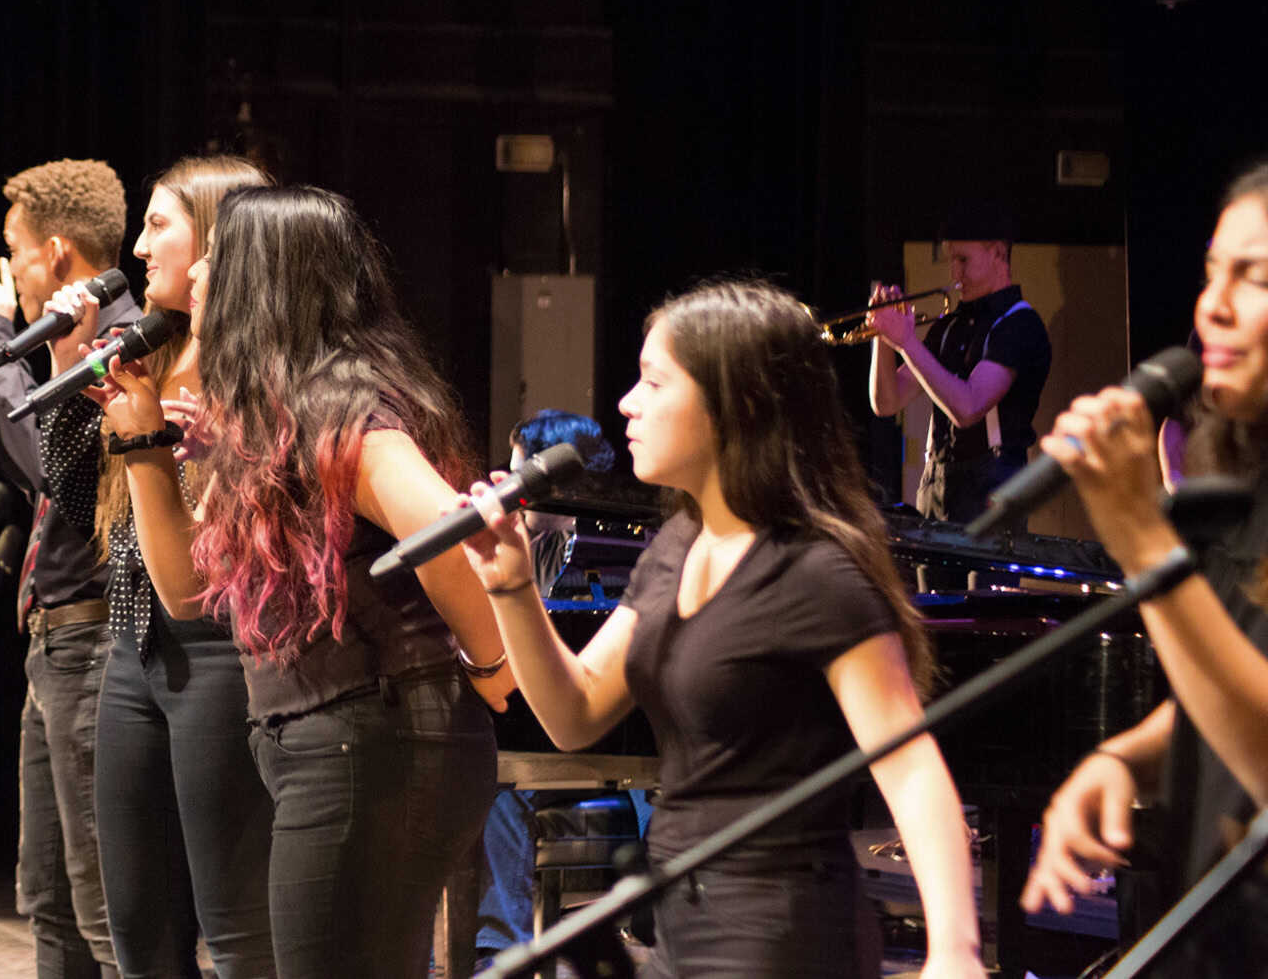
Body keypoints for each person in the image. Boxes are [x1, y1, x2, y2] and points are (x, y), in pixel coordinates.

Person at [465, 279, 983, 978]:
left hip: (776, 929)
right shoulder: (677, 547)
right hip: (678, 917)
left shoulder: (815, 573)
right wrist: (511, 586)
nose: (627, 402)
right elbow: (574, 712)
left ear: (732, 405)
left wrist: (954, 948)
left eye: (653, 381)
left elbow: (910, 766)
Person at [91, 184, 515, 979]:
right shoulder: (266, 415)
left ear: (261, 283)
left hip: (375, 732)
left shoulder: (342, 407)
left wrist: (494, 667)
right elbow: (186, 592)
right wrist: (143, 440)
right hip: (335, 735)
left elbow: (454, 542)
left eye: (215, 263)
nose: (198, 279)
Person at [1022, 162, 1268, 970]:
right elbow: (1238, 676)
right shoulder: (1241, 482)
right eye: (1210, 274)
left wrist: (1139, 534)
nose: (1212, 307)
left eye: (1253, 277)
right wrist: (1126, 754)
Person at [37, 155, 276, 978]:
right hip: (134, 647)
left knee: (236, 924)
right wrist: (71, 360)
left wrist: (206, 443)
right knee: (136, 921)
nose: (139, 246)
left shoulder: (264, 367)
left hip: (224, 650)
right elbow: (75, 496)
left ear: (216, 237)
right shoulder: (150, 344)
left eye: (158, 224)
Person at [0, 158, 136, 979]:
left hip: (95, 640)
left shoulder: (122, 335)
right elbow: (40, 470)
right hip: (54, 642)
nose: (8, 271)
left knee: (102, 906)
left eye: (13, 251)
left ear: (54, 254)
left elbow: (58, 467)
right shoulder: (64, 337)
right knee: (49, 896)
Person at [474, 409, 622, 968]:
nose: (512, 487)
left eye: (522, 475)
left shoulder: (600, 540)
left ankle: (656, 918)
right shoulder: (508, 536)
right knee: (506, 786)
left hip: (597, 710)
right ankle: (501, 946)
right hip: (528, 713)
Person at [866, 225, 1052, 526]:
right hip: (936, 485)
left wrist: (906, 341)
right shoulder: (949, 326)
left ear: (998, 253)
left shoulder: (1019, 324)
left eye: (963, 260)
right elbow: (886, 403)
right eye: (951, 261)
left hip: (994, 488)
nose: (954, 274)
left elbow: (968, 408)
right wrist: (881, 333)